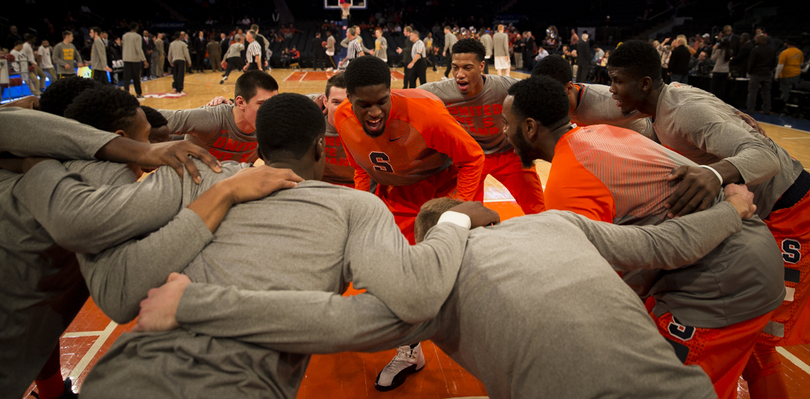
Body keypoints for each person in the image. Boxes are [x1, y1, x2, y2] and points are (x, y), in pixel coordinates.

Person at [132, 190, 761, 399]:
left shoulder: (431, 287)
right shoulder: (556, 223)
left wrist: (190, 302)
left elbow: (333, 322)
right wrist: (732, 207)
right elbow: (665, 244)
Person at [64, 93, 488, 399]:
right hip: (237, 384)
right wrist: (453, 220)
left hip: (123, 370)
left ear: (260, 149)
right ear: (321, 148)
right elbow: (416, 297)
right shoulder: (357, 206)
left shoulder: (197, 175)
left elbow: (95, 240)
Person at [504, 75, 783, 399]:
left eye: (505, 123)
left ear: (529, 129)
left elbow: (643, 257)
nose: (503, 132)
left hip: (723, 275)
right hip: (754, 257)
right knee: (754, 357)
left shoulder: (568, 184)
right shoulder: (601, 133)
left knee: (651, 386)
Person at [606, 40, 810, 398]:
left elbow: (765, 156)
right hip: (755, 214)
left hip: (792, 211)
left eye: (617, 81)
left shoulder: (685, 112)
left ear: (645, 84)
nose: (611, 90)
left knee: (760, 338)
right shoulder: (660, 107)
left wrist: (716, 174)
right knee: (748, 339)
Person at [0, 93, 223, 399]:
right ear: (119, 137)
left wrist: (28, 160)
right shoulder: (105, 176)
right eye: (148, 138)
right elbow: (117, 294)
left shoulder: (29, 157)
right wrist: (225, 193)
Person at [335, 55, 484, 390]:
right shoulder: (342, 118)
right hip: (399, 195)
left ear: (391, 93)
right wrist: (364, 207)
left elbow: (473, 157)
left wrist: (457, 208)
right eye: (364, 105)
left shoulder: (426, 116)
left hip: (445, 189)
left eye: (381, 102)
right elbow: (362, 168)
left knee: (464, 274)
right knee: (396, 277)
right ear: (349, 100)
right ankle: (410, 351)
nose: (374, 112)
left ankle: (487, 343)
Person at [420, 39, 545, 214]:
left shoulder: (504, 87)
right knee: (465, 214)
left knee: (538, 209)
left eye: (467, 67)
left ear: (481, 66)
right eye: (455, 67)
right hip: (471, 158)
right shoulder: (439, 91)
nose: (459, 74)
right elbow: (403, 100)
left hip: (509, 154)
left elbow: (545, 93)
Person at [159, 71, 278, 163]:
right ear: (241, 103)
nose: (271, 111)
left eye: (273, 103)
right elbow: (148, 116)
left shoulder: (270, 130)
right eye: (262, 104)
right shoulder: (211, 118)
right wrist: (147, 152)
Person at [532, 54, 654, 137]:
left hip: (643, 150)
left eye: (550, 97)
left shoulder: (609, 101)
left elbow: (659, 106)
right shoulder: (555, 101)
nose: (546, 104)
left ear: (569, 88)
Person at [775, 38, 804, 110]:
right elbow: (801, 63)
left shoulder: (784, 53)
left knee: (786, 92)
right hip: (797, 74)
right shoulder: (799, 52)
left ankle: (785, 108)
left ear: (786, 43)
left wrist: (776, 75)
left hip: (786, 75)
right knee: (795, 92)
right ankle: (795, 107)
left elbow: (780, 66)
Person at [121, 22, 147, 98]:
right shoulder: (138, 36)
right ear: (136, 27)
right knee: (136, 77)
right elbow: (138, 49)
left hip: (126, 59)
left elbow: (123, 47)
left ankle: (126, 94)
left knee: (126, 78)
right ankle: (138, 94)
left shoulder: (124, 36)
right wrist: (144, 60)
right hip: (135, 59)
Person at [710, 35, 731, 102]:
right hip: (725, 71)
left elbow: (712, 58)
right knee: (722, 88)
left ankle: (714, 101)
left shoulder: (719, 51)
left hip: (717, 71)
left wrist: (714, 49)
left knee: (714, 88)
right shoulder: (729, 51)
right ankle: (721, 101)